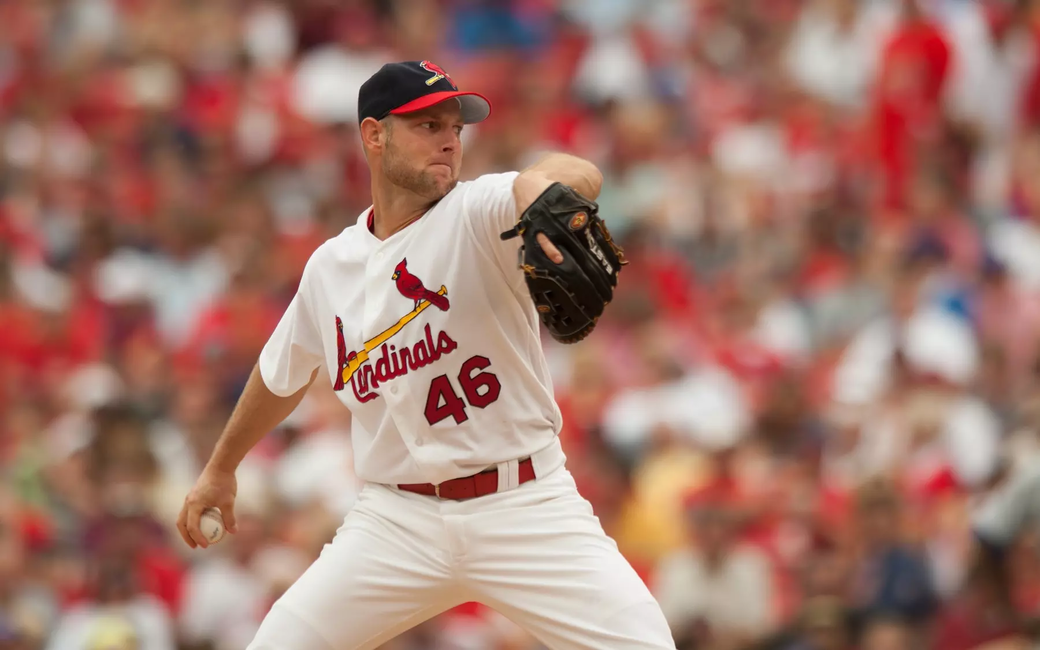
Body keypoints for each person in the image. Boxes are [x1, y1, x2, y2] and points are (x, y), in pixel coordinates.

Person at [176, 60, 677, 650]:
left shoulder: (479, 212)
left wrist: (538, 189)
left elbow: (576, 172)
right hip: (396, 522)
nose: (448, 139)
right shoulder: (331, 267)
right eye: (427, 124)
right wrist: (220, 468)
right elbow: (280, 372)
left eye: (455, 128)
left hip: (523, 505)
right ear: (374, 135)